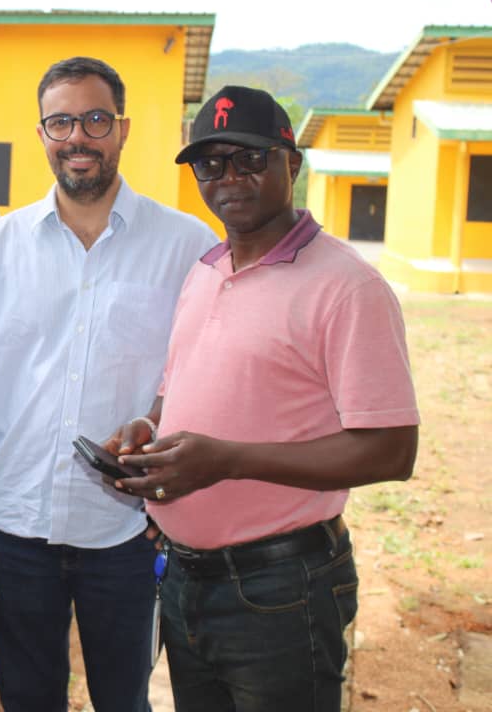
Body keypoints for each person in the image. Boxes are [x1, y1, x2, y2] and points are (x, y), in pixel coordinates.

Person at [107, 85, 420, 712]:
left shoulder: (346, 286)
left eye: (249, 158)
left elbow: (391, 450)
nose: (229, 177)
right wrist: (147, 427)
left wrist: (226, 460)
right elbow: (178, 391)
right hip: (186, 580)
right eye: (210, 162)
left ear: (291, 164)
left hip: (283, 590)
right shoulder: (206, 270)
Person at [0, 56, 217, 712]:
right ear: (42, 134)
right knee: (29, 702)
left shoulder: (187, 245)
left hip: (125, 535)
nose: (78, 138)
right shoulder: (1, 246)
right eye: (61, 121)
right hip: (15, 530)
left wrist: (171, 498)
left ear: (122, 130)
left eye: (95, 120)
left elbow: (208, 377)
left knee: (126, 701)